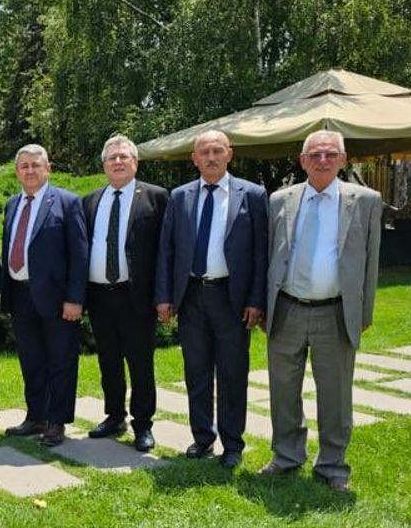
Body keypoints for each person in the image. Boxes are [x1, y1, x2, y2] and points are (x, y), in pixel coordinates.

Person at [262, 130, 381, 492]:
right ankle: (286, 456)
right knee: (283, 389)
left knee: (335, 393)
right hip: (287, 308)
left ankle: (332, 464)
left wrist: (363, 312)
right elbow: (268, 256)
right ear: (303, 161)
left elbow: (371, 262)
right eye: (315, 155)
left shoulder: (365, 201)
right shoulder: (280, 200)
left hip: (336, 312)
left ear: (343, 159)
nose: (323, 160)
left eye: (330, 154)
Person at [155, 130, 268, 469]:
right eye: (204, 152)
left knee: (232, 373)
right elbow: (167, 249)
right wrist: (164, 296)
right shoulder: (180, 197)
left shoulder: (252, 194)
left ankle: (232, 444)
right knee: (197, 370)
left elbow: (261, 254)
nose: (211, 157)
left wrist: (256, 300)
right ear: (194, 158)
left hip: (231, 298)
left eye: (217, 150)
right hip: (191, 296)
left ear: (229, 154)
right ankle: (202, 437)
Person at [82, 135, 169, 452]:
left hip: (137, 296)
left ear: (135, 162)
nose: (117, 162)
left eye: (123, 157)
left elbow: (166, 250)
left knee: (140, 362)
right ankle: (114, 416)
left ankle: (143, 424)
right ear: (104, 165)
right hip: (100, 295)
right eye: (112, 158)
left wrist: (164, 295)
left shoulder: (156, 197)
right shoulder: (90, 201)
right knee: (108, 360)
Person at [0, 144, 88, 447]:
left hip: (58, 299)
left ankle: (57, 421)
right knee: (32, 361)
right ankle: (36, 416)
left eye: (35, 165)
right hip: (20, 295)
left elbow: (79, 254)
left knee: (60, 361)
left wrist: (75, 298)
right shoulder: (12, 204)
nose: (30, 170)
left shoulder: (67, 202)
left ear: (48, 168)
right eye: (24, 166)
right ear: (17, 171)